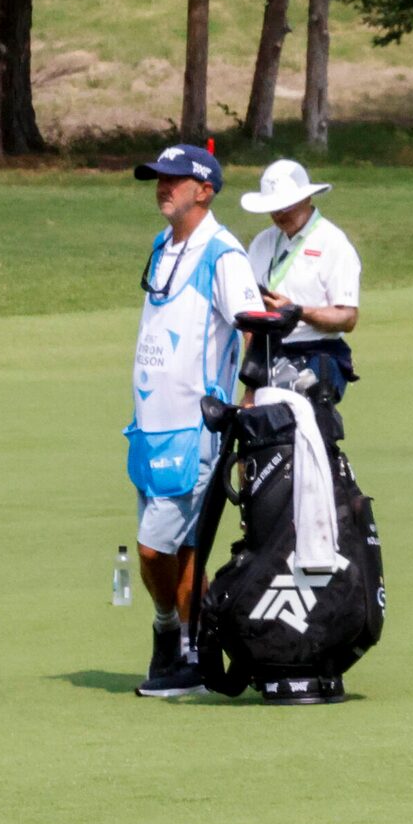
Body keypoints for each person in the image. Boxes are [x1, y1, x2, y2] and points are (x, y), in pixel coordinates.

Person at [124, 142, 263, 699]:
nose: (163, 186)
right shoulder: (163, 245)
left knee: (156, 548)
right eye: (159, 178)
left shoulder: (223, 254)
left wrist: (249, 400)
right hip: (149, 422)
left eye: (175, 179)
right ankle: (193, 655)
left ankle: (171, 636)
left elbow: (252, 326)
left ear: (204, 190)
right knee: (181, 551)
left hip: (196, 427)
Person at [241, 159, 363, 401]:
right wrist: (253, 380)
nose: (279, 214)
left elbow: (347, 318)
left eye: (286, 206)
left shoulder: (333, 242)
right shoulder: (262, 242)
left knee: (302, 423)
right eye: (274, 207)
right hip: (268, 353)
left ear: (306, 199)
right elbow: (250, 314)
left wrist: (296, 312)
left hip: (318, 352)